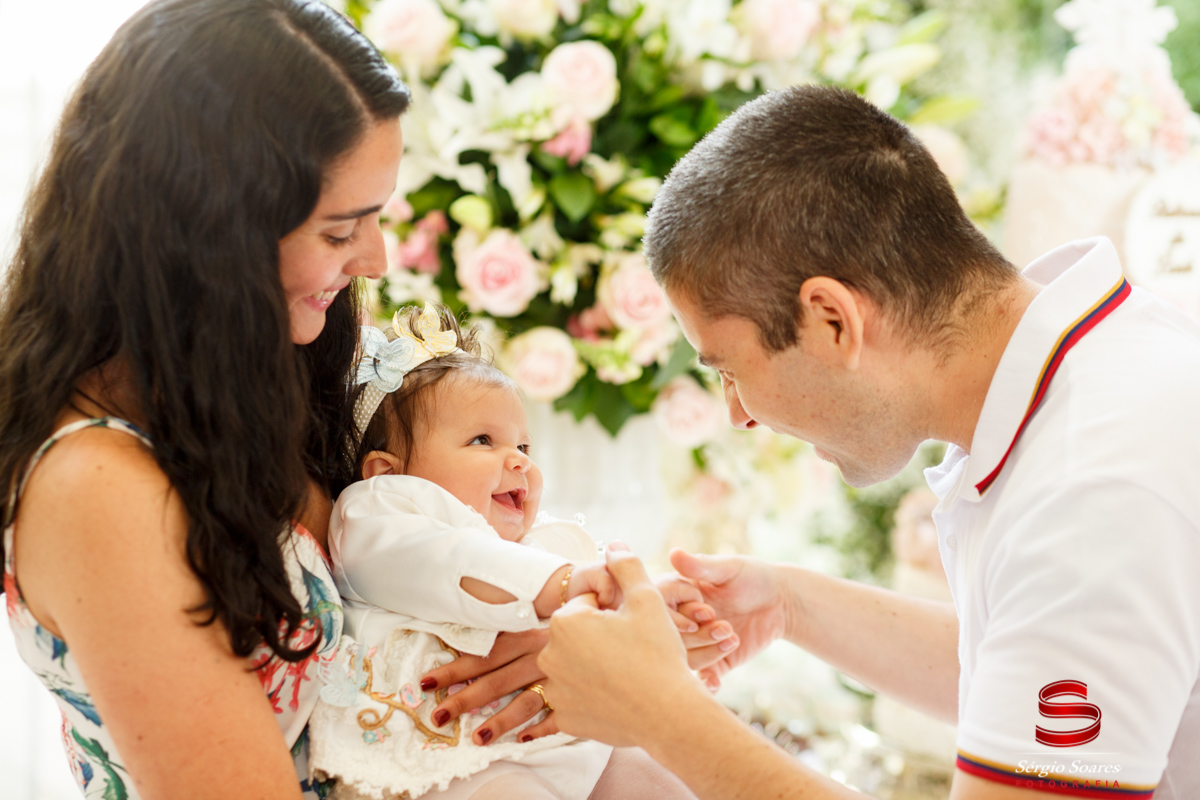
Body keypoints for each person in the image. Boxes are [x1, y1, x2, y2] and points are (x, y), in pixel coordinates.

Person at [536, 85, 1200, 800]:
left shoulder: (1092, 489)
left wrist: (663, 716)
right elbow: (1034, 661)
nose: (737, 414)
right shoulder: (1096, 371)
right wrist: (787, 603)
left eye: (729, 368)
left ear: (831, 319)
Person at [0, 1, 411, 797]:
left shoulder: (256, 377)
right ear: (209, 234)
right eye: (339, 231)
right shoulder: (98, 487)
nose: (376, 260)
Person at [308, 303, 699, 800]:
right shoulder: (379, 513)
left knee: (661, 777)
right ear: (387, 470)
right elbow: (453, 561)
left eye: (524, 447)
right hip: (448, 761)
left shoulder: (532, 542)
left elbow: (577, 580)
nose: (517, 460)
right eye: (482, 440)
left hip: (562, 736)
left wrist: (637, 601)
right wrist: (563, 585)